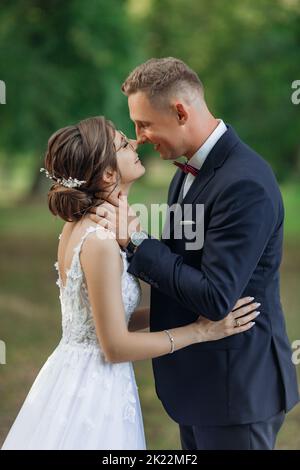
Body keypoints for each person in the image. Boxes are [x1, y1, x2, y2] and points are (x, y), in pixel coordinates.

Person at [1, 116, 256, 450]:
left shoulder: (80, 227)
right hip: (93, 391)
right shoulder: (101, 243)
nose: (136, 143)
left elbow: (106, 320)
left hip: (78, 372)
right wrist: (200, 332)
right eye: (123, 143)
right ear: (108, 174)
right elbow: (116, 346)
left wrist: (186, 307)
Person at [90, 58, 299, 450]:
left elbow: (216, 296)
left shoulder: (245, 183)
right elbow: (181, 263)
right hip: (201, 388)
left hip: (236, 389)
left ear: (180, 112)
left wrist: (136, 243)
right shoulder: (185, 174)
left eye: (144, 124)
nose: (140, 137)